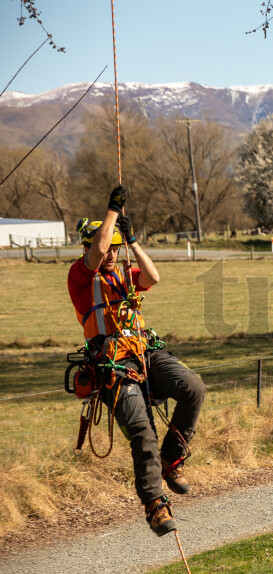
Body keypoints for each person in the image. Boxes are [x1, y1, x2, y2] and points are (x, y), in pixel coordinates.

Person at [66, 185, 205, 537]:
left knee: (192, 387)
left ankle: (172, 460)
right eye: (106, 246)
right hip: (111, 364)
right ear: (87, 247)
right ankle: (155, 505)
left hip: (144, 350)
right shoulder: (81, 278)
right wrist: (112, 209)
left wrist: (134, 241)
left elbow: (154, 277)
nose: (111, 253)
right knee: (141, 430)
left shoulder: (126, 274)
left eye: (116, 247)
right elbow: (97, 250)